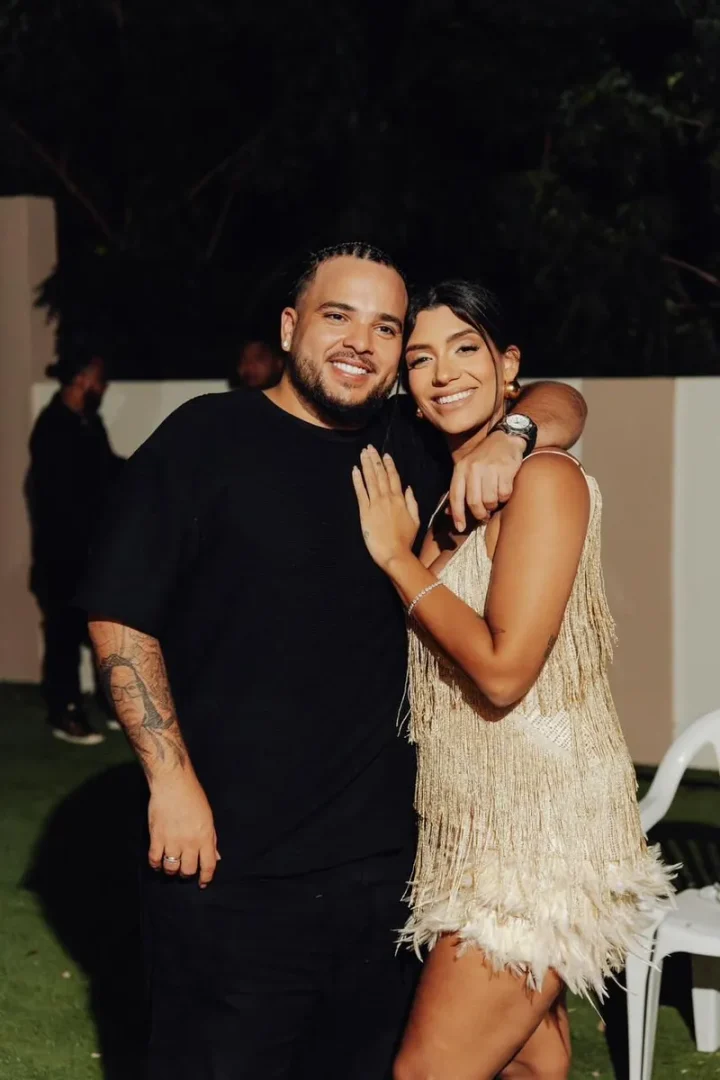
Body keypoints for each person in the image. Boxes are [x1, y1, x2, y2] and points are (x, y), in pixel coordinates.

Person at [77, 244, 587, 1079]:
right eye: (338, 316)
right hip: (230, 866)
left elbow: (560, 399)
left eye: (387, 328)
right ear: (290, 327)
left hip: (387, 874)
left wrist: (513, 437)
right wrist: (170, 781)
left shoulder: (418, 440)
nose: (361, 342)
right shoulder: (205, 437)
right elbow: (120, 616)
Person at [352, 280, 674, 1080]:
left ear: (507, 366)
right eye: (420, 358)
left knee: (425, 1073)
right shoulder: (450, 494)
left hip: (542, 844)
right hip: (471, 833)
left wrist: (394, 557)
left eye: (466, 348)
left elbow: (502, 673)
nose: (442, 372)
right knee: (529, 1067)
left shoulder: (543, 479)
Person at [26, 345, 124, 746]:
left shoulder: (89, 422)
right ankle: (63, 710)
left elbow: (106, 468)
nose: (103, 386)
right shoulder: (53, 428)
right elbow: (57, 498)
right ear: (82, 379)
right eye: (99, 378)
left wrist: (143, 469)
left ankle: (108, 702)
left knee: (101, 631)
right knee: (64, 634)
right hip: (61, 556)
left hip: (90, 553)